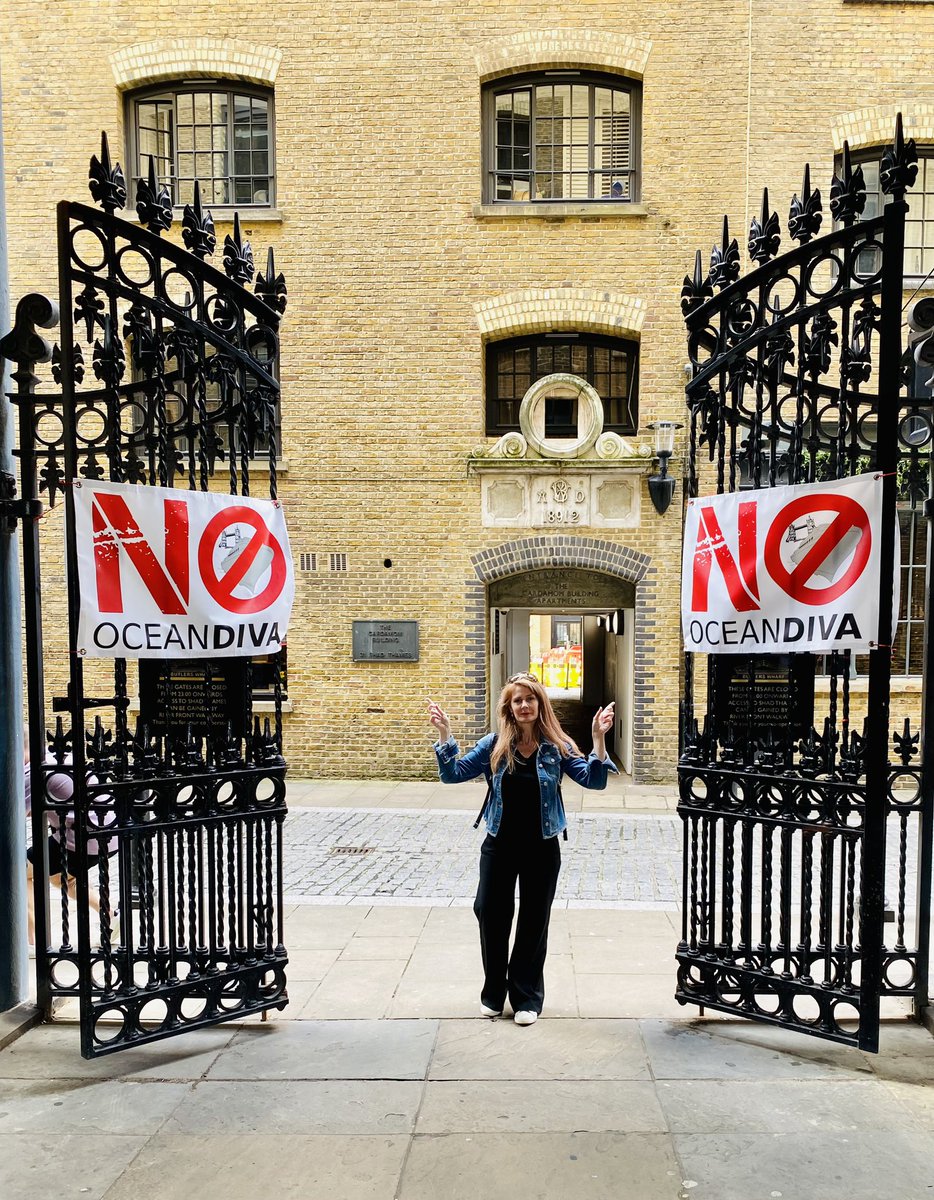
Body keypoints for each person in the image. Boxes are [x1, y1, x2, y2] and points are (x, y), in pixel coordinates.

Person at [429, 674, 616, 1026]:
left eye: (530, 699)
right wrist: (445, 734)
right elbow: (452, 774)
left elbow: (595, 780)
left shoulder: (557, 745)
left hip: (542, 848)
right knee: (489, 914)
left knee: (534, 921)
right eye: (518, 700)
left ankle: (527, 996)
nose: (525, 705)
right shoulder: (494, 744)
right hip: (499, 844)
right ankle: (494, 993)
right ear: (509, 708)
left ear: (540, 704)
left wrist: (598, 739)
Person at [25, 741, 117, 948]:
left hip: (79, 839)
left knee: (19, 872)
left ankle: (34, 940)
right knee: (64, 879)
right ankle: (112, 913)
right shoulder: (61, 757)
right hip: (109, 832)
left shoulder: (36, 771)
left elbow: (15, 814)